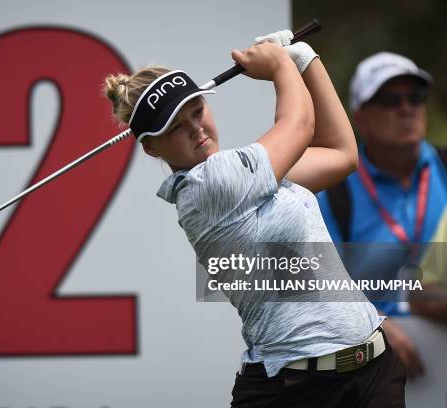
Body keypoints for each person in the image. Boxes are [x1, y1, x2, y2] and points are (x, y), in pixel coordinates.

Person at [104, 31, 405, 407]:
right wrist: (281, 64)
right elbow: (299, 126)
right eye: (176, 127)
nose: (196, 129)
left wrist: (306, 59)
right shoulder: (208, 186)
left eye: (197, 111)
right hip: (300, 391)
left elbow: (341, 154)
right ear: (150, 147)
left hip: (373, 375)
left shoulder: (252, 174)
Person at [317, 52, 447, 379]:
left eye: (415, 97)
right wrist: (374, 325)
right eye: (389, 100)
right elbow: (316, 285)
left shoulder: (445, 169)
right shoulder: (334, 192)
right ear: (360, 118)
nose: (406, 108)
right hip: (368, 367)